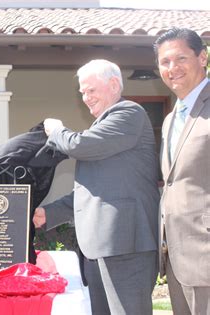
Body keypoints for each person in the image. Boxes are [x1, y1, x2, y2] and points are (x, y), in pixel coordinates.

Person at [33, 59, 160, 314]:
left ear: (114, 85)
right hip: (100, 247)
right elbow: (94, 190)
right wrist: (49, 213)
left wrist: (56, 130)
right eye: (82, 92)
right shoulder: (103, 125)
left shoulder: (128, 113)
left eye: (91, 90)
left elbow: (79, 145)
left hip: (126, 244)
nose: (86, 98)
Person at [154, 28, 210, 315]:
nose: (172, 68)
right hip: (176, 256)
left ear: (203, 58)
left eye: (181, 58)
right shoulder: (170, 120)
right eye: (165, 62)